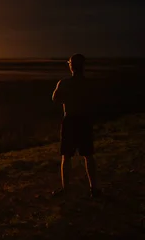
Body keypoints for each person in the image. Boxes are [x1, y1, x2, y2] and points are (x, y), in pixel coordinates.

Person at [51, 53, 101, 197]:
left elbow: (55, 99)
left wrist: (68, 98)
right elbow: (94, 100)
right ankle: (94, 188)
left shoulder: (64, 83)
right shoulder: (88, 84)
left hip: (71, 120)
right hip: (84, 120)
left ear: (71, 66)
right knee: (89, 155)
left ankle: (66, 189)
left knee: (66, 156)